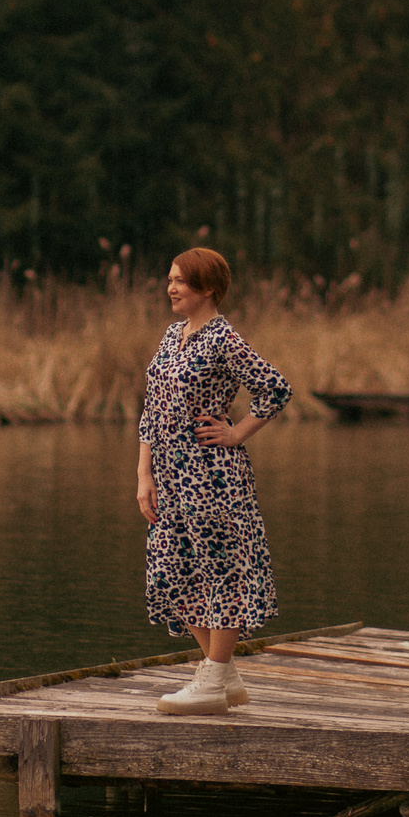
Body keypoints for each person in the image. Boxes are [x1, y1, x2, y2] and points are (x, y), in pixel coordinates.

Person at [135, 247, 291, 715]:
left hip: (213, 478)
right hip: (169, 477)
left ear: (207, 288)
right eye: (169, 279)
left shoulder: (224, 339)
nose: (171, 288)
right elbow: (152, 408)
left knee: (220, 572)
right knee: (170, 573)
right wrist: (144, 473)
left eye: (180, 280)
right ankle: (224, 674)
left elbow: (275, 388)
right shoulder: (171, 336)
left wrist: (237, 431)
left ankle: (211, 680)